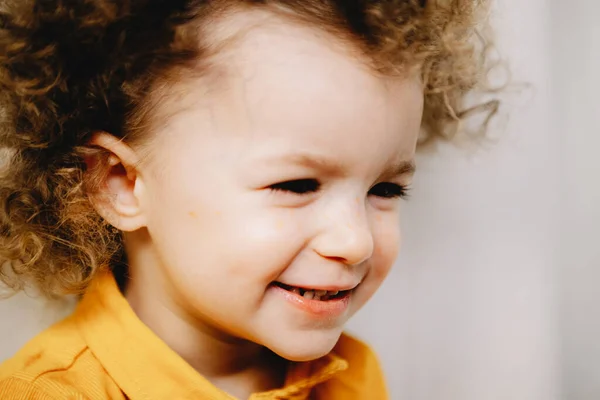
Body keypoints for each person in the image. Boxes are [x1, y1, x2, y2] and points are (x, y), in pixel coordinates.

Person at [0, 0, 494, 398]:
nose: (355, 241)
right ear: (121, 184)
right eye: (296, 185)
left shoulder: (351, 377)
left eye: (384, 189)